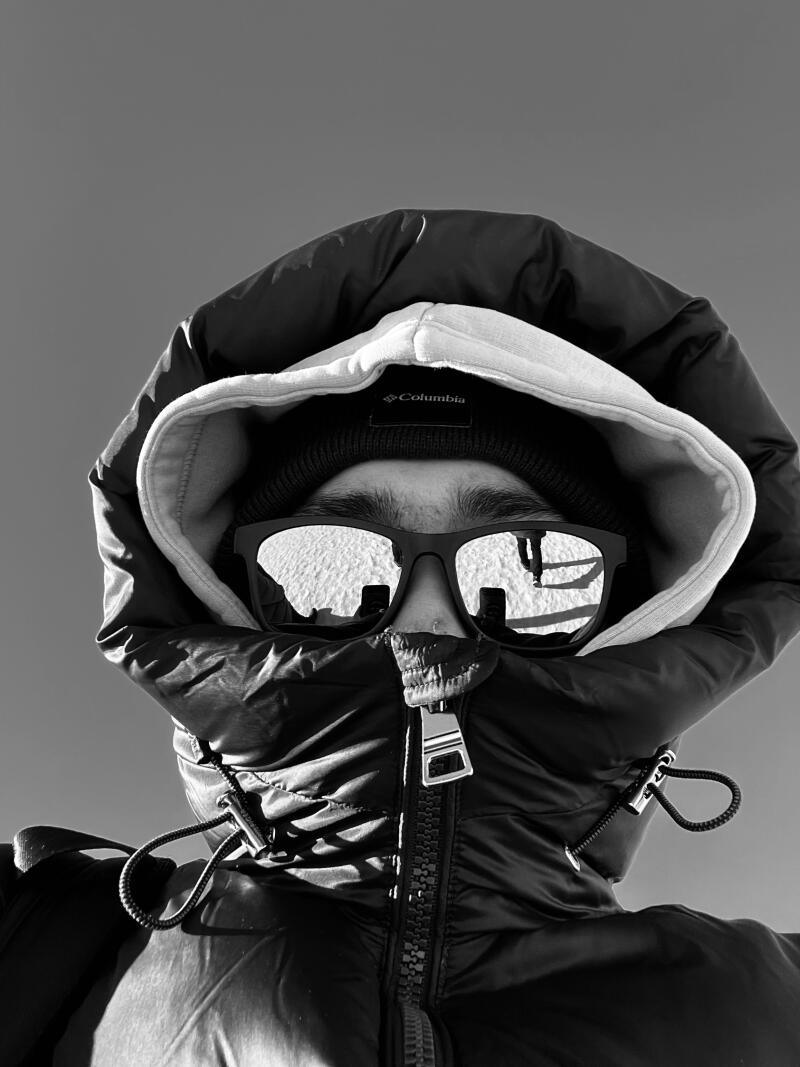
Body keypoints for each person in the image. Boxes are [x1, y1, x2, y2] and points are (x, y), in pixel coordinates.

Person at [36, 210, 800, 1065]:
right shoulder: (34, 947)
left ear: (625, 616)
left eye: (526, 568)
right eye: (327, 562)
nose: (424, 625)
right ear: (232, 601)